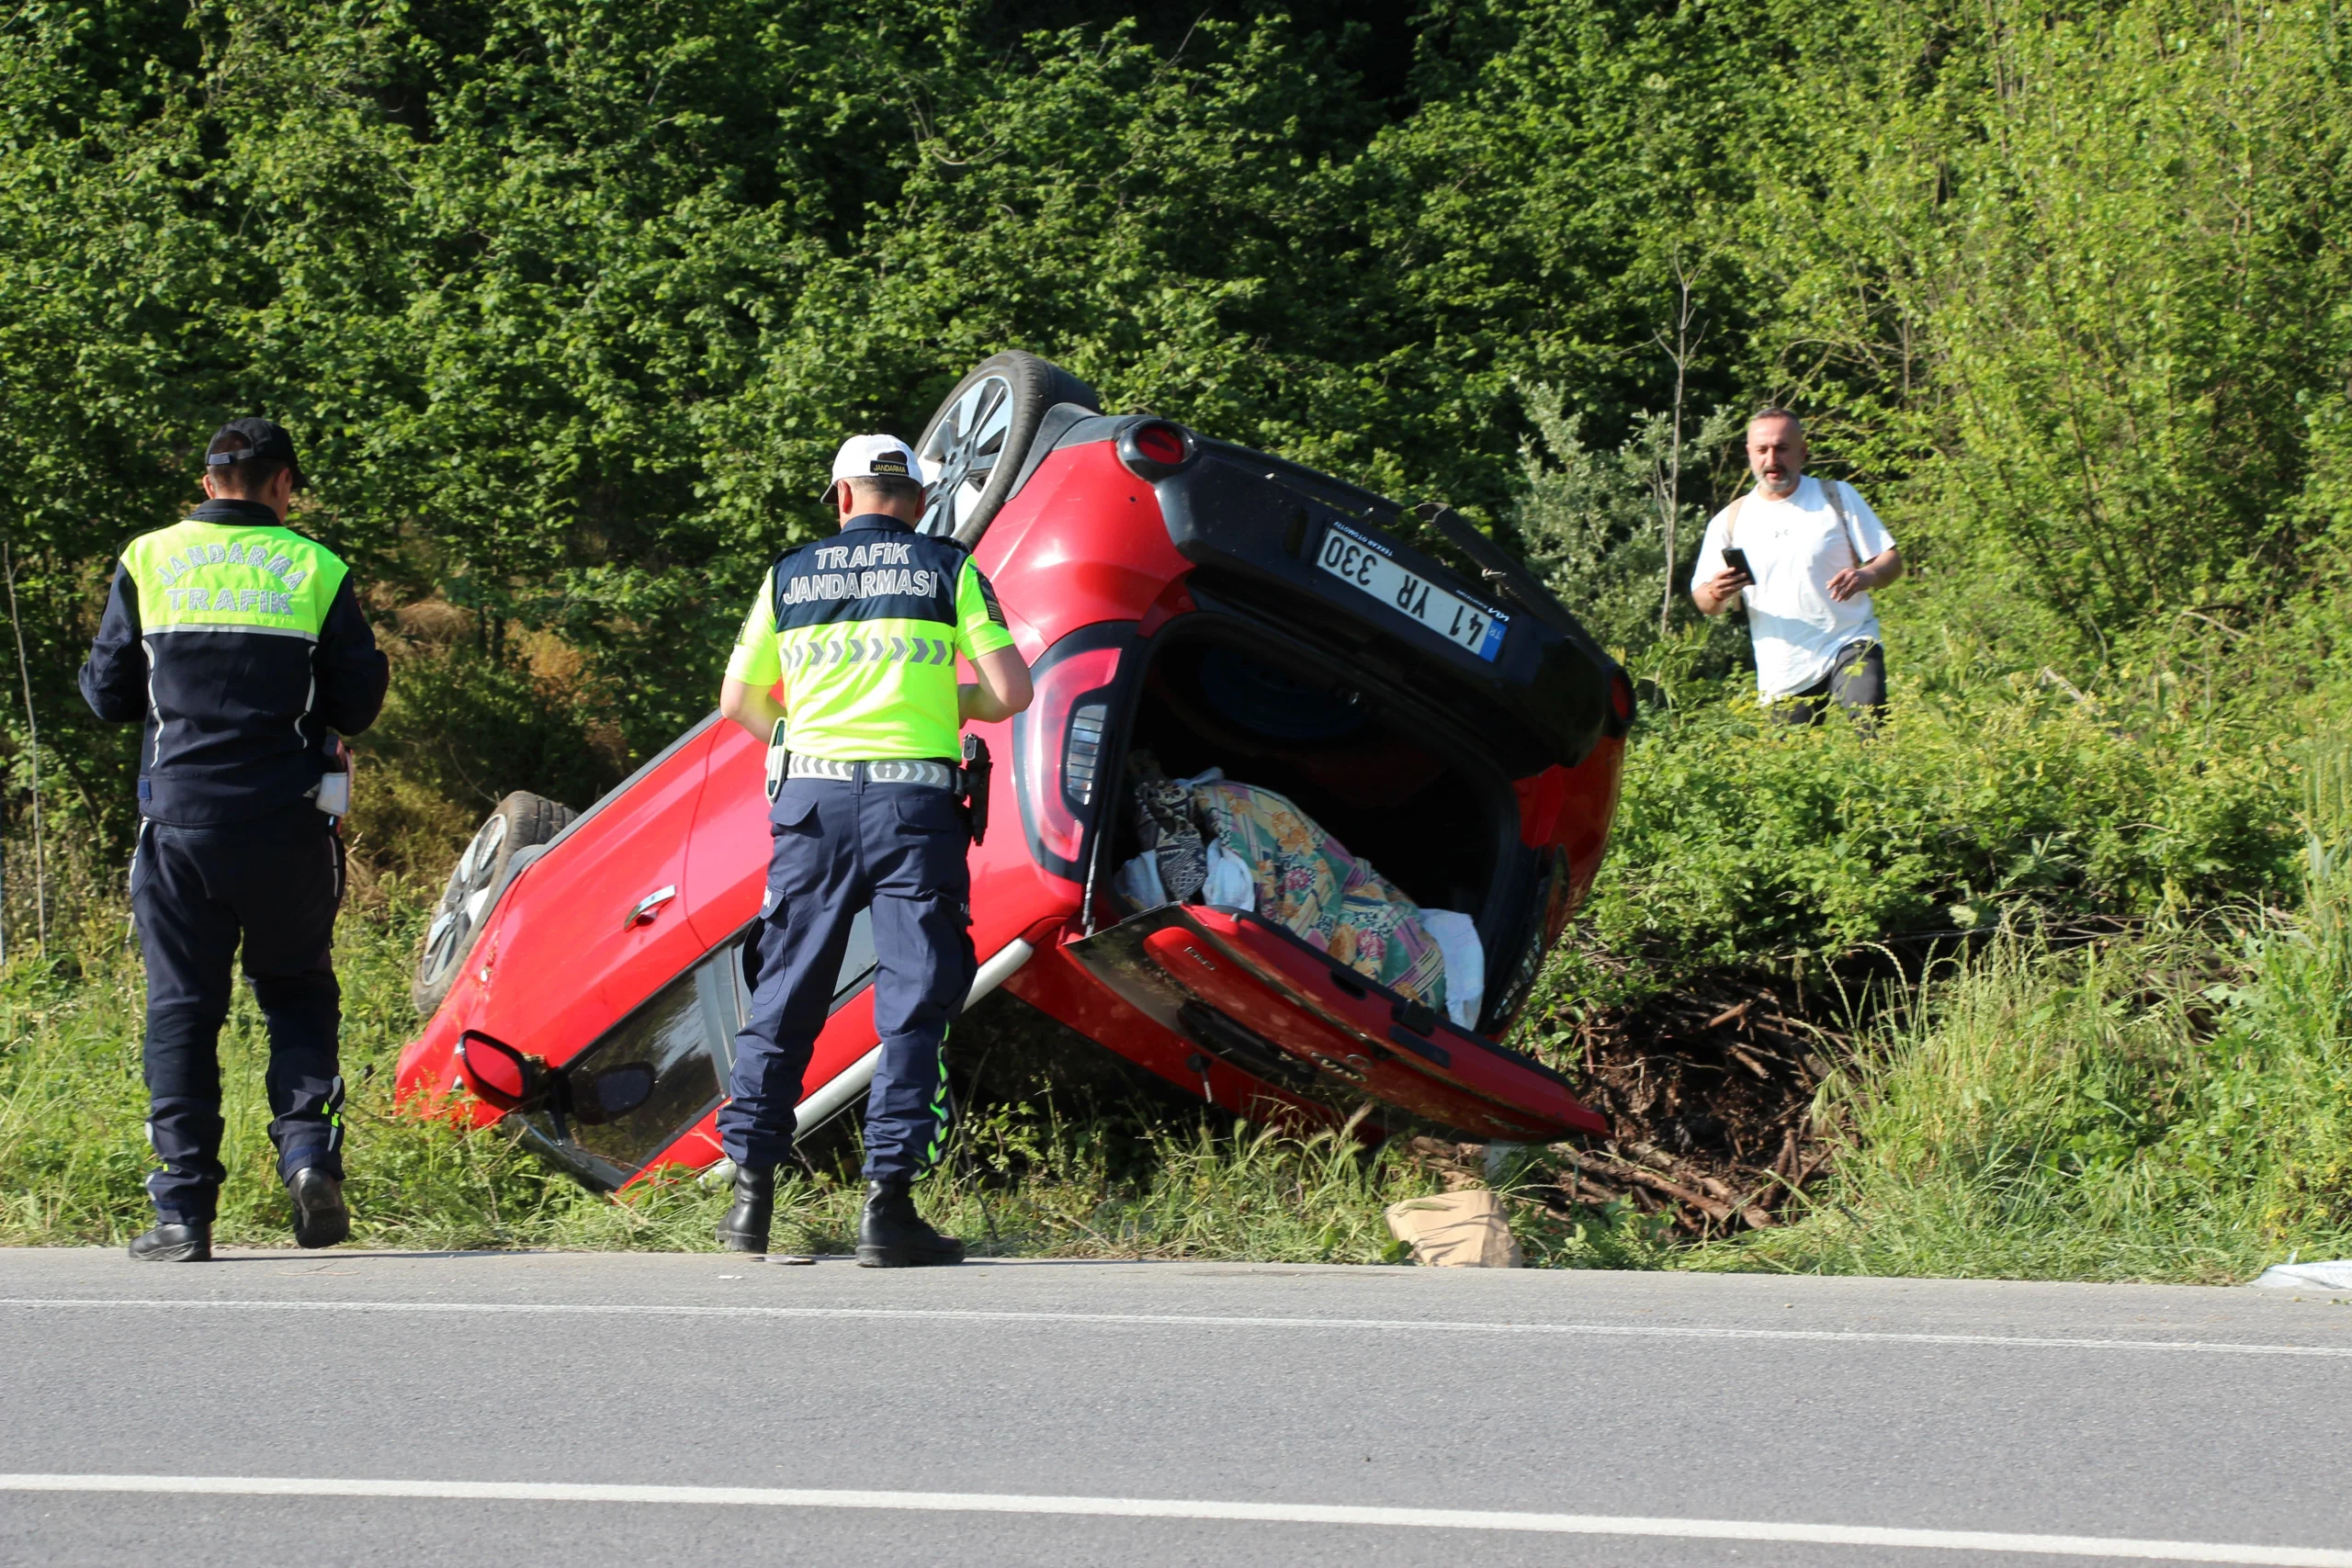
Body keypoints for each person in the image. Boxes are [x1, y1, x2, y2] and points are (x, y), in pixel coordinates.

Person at [714, 433, 1033, 1266]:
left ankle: (750, 1202)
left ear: (843, 497)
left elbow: (737, 700)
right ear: (919, 501)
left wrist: (794, 739)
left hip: (813, 806)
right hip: (914, 809)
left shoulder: (790, 574)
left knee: (785, 989)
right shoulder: (948, 569)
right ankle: (886, 1210)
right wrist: (946, 695)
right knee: (915, 999)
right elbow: (1010, 691)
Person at [79, 418, 390, 1262]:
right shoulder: (316, 567)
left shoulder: (149, 559)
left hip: (177, 824)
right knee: (296, 990)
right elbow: (358, 703)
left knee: (183, 1010)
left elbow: (108, 697)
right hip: (287, 821)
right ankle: (307, 1159)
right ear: (283, 483)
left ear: (209, 480)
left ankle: (183, 1212)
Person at [1691, 409, 1903, 725]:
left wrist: (1865, 575)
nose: (1771, 459)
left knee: (1869, 724)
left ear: (1802, 452)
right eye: (1762, 450)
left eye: (1782, 448)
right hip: (1784, 665)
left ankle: (1881, 773)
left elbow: (1891, 560)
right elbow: (1704, 601)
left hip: (1849, 640)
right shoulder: (1730, 521)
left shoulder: (1837, 496)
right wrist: (1716, 591)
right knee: (1792, 761)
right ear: (1749, 453)